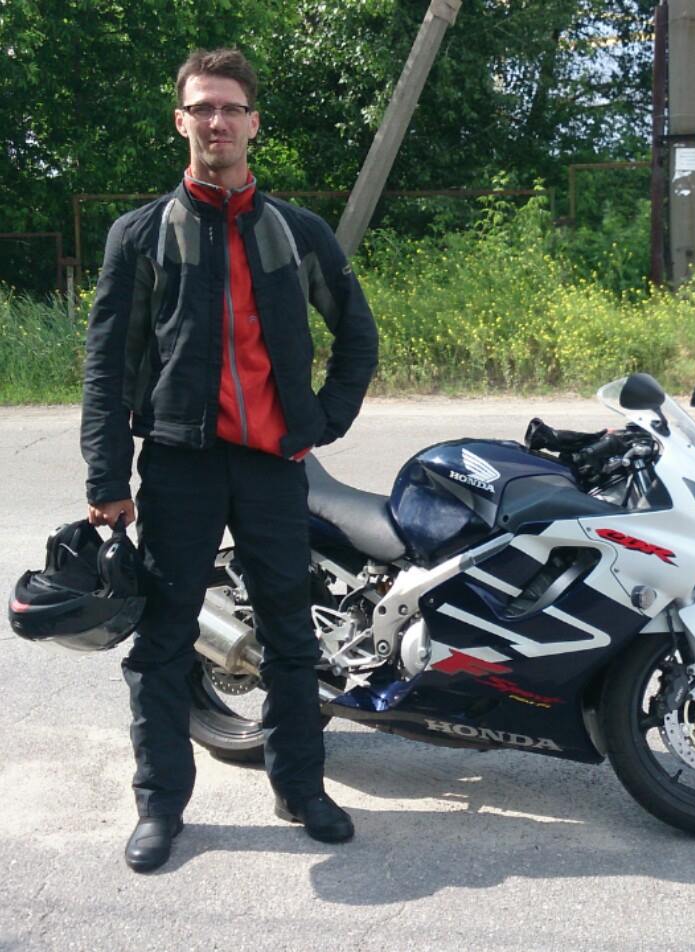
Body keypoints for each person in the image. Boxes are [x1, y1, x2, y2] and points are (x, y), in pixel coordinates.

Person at [81, 48, 378, 873]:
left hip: (274, 467)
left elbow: (356, 335)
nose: (217, 122)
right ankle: (160, 806)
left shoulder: (296, 231)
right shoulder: (141, 235)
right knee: (164, 639)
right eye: (203, 108)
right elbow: (107, 366)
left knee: (290, 633)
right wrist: (107, 477)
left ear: (253, 124)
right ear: (182, 121)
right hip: (180, 465)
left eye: (231, 108)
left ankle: (301, 789)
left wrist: (323, 418)